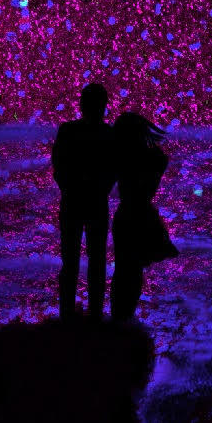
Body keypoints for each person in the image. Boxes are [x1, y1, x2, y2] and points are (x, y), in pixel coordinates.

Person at [51, 83, 116, 323]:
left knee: (71, 261)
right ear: (103, 105)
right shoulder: (108, 134)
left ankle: (67, 315)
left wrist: (71, 188)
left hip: (73, 202)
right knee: (96, 261)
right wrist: (99, 189)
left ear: (81, 105)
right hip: (95, 202)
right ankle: (95, 315)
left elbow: (59, 166)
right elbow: (113, 169)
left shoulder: (68, 131)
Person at [110, 112, 178, 323]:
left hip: (127, 215)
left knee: (124, 269)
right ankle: (125, 318)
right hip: (143, 215)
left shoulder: (120, 157)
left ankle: (119, 319)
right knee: (134, 269)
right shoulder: (155, 158)